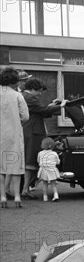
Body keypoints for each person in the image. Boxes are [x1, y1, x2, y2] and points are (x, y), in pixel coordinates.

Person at [20, 78, 62, 199]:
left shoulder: (26, 97)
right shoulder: (29, 98)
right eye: (38, 91)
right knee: (30, 163)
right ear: (31, 89)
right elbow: (42, 110)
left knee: (30, 162)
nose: (39, 94)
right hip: (32, 133)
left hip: (31, 131)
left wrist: (52, 106)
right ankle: (25, 190)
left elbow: (40, 111)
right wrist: (61, 106)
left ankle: (25, 188)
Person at [0, 66, 29, 208]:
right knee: (15, 165)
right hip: (14, 134)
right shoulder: (17, 95)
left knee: (1, 167)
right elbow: (25, 116)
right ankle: (17, 196)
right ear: (14, 82)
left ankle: (2, 196)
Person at [37, 137, 61, 202]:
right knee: (53, 184)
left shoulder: (40, 153)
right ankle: (56, 195)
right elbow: (58, 162)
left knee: (45, 184)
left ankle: (45, 197)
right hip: (52, 170)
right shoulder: (54, 153)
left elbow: (38, 161)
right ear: (51, 145)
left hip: (43, 170)